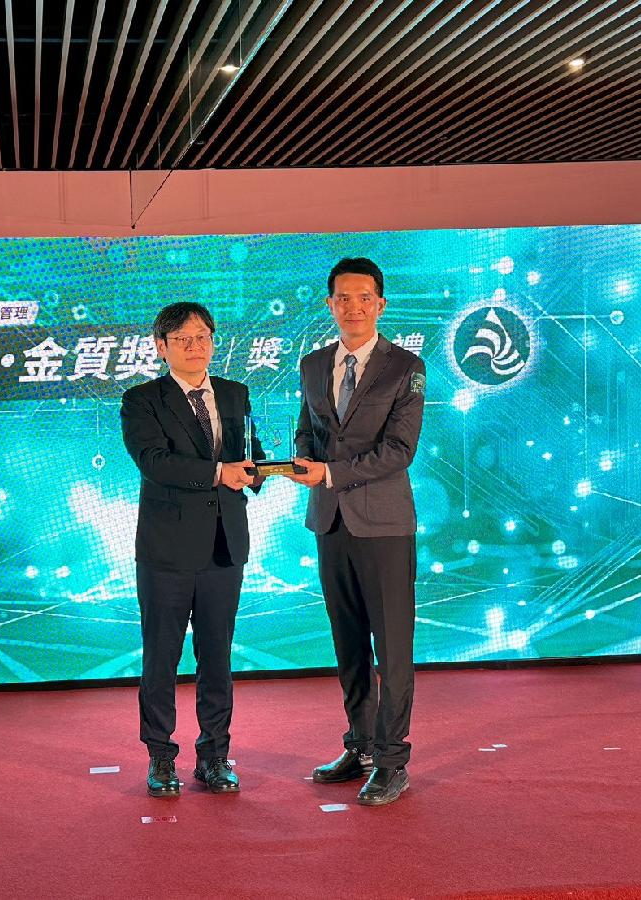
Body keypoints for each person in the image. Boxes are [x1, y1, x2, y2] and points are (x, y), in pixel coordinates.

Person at [287, 256, 426, 807]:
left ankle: (392, 762)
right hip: (329, 521)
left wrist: (330, 473)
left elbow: (400, 450)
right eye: (343, 298)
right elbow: (306, 430)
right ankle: (361, 747)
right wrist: (301, 461)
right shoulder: (313, 363)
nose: (354, 307)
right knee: (348, 643)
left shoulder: (405, 367)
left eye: (364, 297)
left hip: (384, 524)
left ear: (380, 304)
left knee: (391, 648)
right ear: (330, 304)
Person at [120, 301, 262, 798]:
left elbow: (250, 453)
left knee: (217, 657)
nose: (195, 346)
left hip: (225, 546)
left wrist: (268, 469)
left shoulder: (234, 393)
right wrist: (219, 473)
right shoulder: (142, 400)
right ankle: (161, 757)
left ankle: (215, 756)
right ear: (161, 347)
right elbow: (154, 462)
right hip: (166, 552)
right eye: (182, 339)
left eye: (202, 337)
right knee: (161, 658)